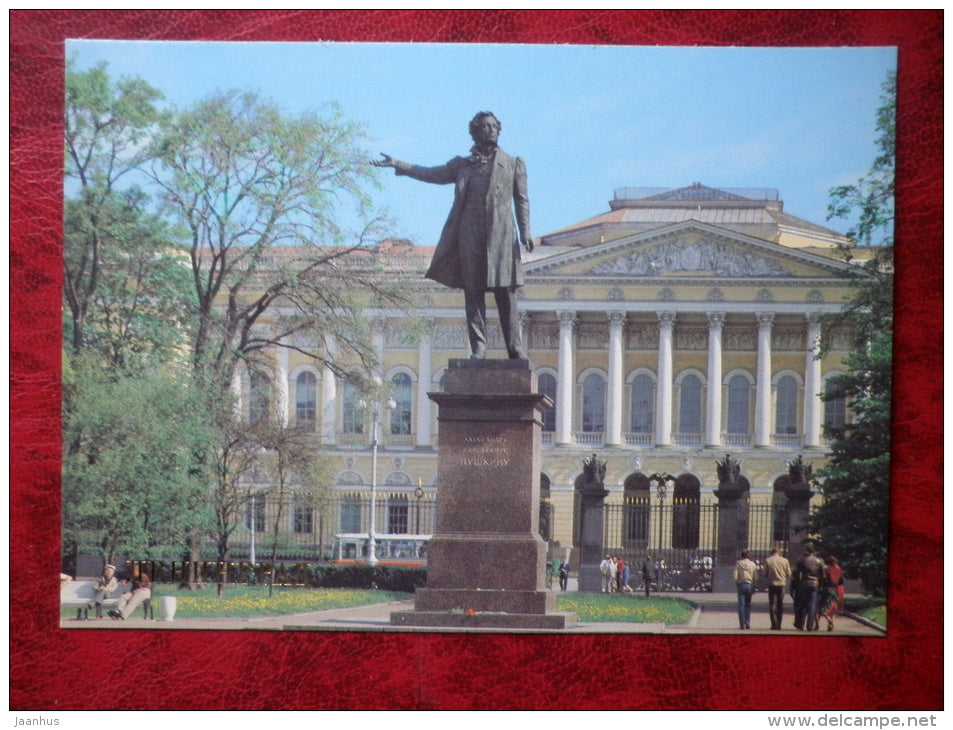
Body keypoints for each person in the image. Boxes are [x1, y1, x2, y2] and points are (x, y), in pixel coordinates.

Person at [373, 112, 533, 359]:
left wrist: (526, 232)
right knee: (473, 291)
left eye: (494, 127)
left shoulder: (513, 164)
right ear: (475, 132)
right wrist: (398, 164)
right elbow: (432, 174)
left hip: (501, 236)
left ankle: (515, 348)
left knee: (506, 293)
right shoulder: (462, 165)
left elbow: (521, 200)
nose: (491, 130)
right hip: (469, 234)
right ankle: (478, 347)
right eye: (486, 127)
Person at [792, 542, 825, 630]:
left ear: (807, 549)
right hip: (815, 584)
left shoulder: (802, 559)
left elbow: (796, 574)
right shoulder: (819, 560)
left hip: (804, 583)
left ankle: (799, 624)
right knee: (812, 605)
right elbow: (823, 575)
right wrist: (820, 584)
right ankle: (810, 625)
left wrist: (797, 584)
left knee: (801, 604)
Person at [763, 547, 792, 630]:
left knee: (772, 604)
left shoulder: (768, 560)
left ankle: (773, 624)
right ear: (779, 552)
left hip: (772, 584)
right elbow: (789, 573)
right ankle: (779, 624)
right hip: (782, 584)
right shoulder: (785, 560)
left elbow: (765, 573)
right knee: (780, 604)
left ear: (772, 552)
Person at [734, 549, 758, 629]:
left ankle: (742, 624)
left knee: (741, 604)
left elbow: (735, 575)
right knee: (748, 604)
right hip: (749, 584)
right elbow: (755, 577)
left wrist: (736, 582)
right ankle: (747, 622)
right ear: (748, 555)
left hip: (741, 584)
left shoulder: (738, 564)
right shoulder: (753, 564)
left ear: (742, 555)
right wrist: (755, 585)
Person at [820, 555, 845, 631]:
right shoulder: (839, 569)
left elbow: (825, 581)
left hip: (829, 590)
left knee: (823, 610)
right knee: (833, 609)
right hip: (838, 591)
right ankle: (831, 623)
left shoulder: (828, 569)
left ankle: (829, 621)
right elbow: (841, 581)